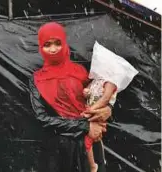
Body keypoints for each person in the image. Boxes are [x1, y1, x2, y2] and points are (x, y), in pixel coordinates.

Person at [29, 22, 112, 172]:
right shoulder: (36, 79)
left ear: (64, 43)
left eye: (57, 43)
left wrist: (107, 109)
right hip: (60, 150)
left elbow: (97, 94)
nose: (53, 49)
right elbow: (42, 118)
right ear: (41, 47)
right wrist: (86, 126)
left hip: (90, 144)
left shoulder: (79, 71)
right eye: (47, 44)